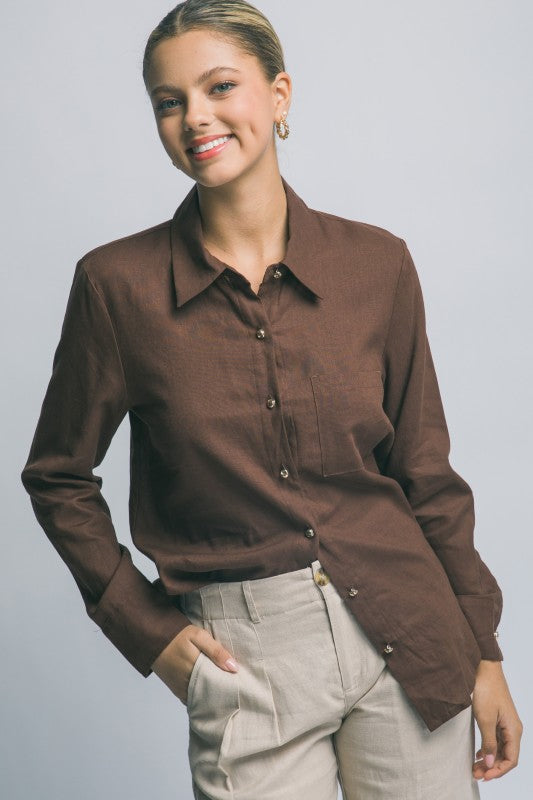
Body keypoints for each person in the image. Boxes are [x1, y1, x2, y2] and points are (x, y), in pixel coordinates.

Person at [20, 1, 522, 798]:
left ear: (279, 95)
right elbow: (57, 477)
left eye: (220, 86)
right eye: (168, 101)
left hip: (410, 629)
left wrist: (482, 649)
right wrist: (148, 632)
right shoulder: (116, 288)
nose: (195, 117)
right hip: (245, 656)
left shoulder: (377, 265)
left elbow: (423, 470)